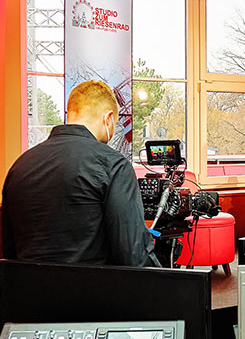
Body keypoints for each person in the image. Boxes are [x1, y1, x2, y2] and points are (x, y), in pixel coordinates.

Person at [2, 80, 157, 266]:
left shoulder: (20, 167)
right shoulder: (113, 165)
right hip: (92, 292)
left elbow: (8, 251)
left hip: (26, 292)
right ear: (107, 118)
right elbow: (132, 254)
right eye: (114, 124)